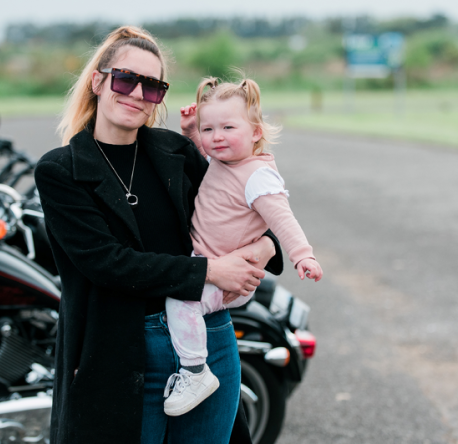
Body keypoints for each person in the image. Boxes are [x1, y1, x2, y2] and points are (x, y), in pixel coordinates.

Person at [34, 26, 283, 444]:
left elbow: (247, 210)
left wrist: (264, 245)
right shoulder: (60, 171)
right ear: (98, 81)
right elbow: (106, 263)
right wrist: (208, 271)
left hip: (210, 342)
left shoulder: (176, 151)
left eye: (151, 87)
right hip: (122, 349)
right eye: (126, 79)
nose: (136, 94)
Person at [162, 76, 323, 417]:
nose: (216, 137)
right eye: (209, 129)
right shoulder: (225, 161)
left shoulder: (257, 176)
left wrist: (302, 255)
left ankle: (195, 373)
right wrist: (192, 131)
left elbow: (283, 220)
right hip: (210, 263)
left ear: (255, 132)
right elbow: (207, 157)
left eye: (228, 128)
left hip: (229, 277)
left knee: (179, 301)